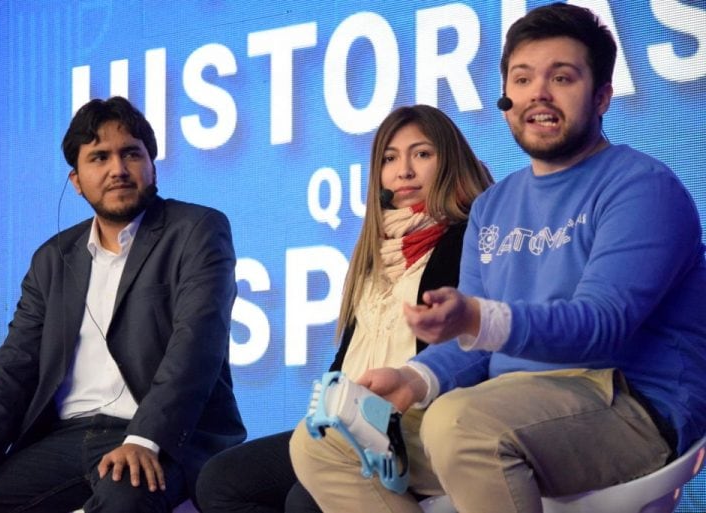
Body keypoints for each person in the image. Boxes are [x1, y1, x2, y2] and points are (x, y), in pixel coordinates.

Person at [290, 4, 706, 513]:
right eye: (523, 78)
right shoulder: (493, 205)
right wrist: (415, 379)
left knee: (460, 423)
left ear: (601, 97)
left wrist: (478, 318)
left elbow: (603, 325)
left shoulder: (642, 186)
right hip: (504, 404)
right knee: (323, 444)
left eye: (562, 77)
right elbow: (473, 347)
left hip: (629, 407)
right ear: (507, 100)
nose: (539, 93)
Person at [0, 96, 246, 513]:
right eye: (99, 157)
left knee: (124, 501)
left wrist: (142, 439)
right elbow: (13, 367)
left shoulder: (196, 230)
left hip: (165, 436)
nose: (117, 169)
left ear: (152, 166)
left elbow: (196, 347)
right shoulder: (53, 259)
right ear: (77, 180)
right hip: (65, 438)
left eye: (131, 154)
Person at [195, 105, 493, 513]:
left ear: (450, 160)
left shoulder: (470, 237)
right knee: (220, 481)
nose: (404, 171)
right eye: (390, 159)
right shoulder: (375, 251)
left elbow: (469, 350)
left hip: (415, 422)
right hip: (350, 422)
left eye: (421, 154)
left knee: (303, 501)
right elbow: (347, 358)